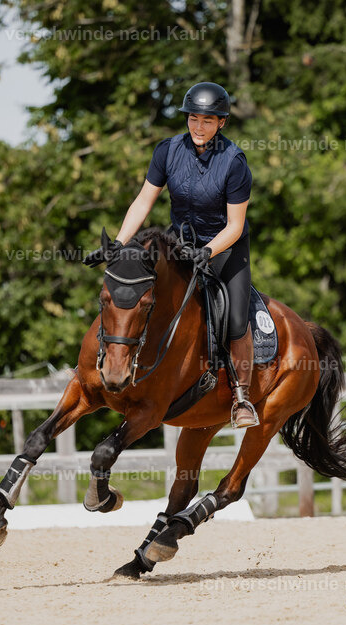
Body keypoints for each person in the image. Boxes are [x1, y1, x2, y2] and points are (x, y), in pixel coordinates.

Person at [92, 81, 259, 429]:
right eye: (193, 118)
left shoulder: (234, 162)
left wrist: (208, 250)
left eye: (207, 120)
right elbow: (144, 200)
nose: (198, 126)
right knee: (140, 295)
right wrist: (119, 243)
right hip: (179, 244)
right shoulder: (167, 151)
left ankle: (242, 396)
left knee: (235, 317)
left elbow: (235, 225)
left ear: (222, 122)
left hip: (225, 247)